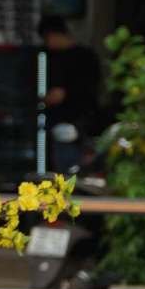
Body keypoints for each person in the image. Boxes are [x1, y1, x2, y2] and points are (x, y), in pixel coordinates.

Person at [38, 15, 102, 174]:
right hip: (67, 124)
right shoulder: (51, 57)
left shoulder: (82, 58)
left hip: (78, 123)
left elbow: (88, 89)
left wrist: (62, 94)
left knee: (72, 172)